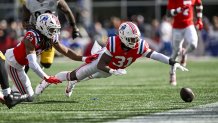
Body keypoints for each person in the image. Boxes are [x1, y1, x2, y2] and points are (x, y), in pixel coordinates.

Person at [35, 21, 188, 97]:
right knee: (74, 74)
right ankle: (47, 80)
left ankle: (74, 82)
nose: (135, 42)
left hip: (111, 67)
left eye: (136, 38)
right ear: (123, 37)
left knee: (94, 76)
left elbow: (155, 55)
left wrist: (172, 61)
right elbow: (101, 64)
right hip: (100, 62)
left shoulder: (139, 45)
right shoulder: (114, 44)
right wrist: (114, 70)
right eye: (131, 39)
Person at [4, 13, 96, 102]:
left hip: (20, 65)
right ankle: (5, 96)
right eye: (52, 29)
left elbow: (66, 51)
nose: (54, 32)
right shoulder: (32, 37)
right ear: (43, 27)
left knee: (28, 96)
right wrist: (46, 77)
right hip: (14, 64)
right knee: (28, 97)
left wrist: (84, 58)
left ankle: (10, 94)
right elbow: (32, 64)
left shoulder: (49, 36)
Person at [22, 0, 80, 71]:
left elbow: (67, 11)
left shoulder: (56, 1)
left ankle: (39, 66)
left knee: (47, 63)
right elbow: (25, 20)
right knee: (27, 58)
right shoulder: (28, 2)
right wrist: (28, 27)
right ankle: (21, 74)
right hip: (36, 32)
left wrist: (74, 27)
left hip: (50, 33)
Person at [167, 0, 203, 85]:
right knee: (176, 52)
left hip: (189, 24)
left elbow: (199, 4)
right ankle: (172, 73)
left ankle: (184, 53)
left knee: (194, 44)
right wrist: (178, 10)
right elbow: (168, 13)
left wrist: (199, 19)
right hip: (177, 28)